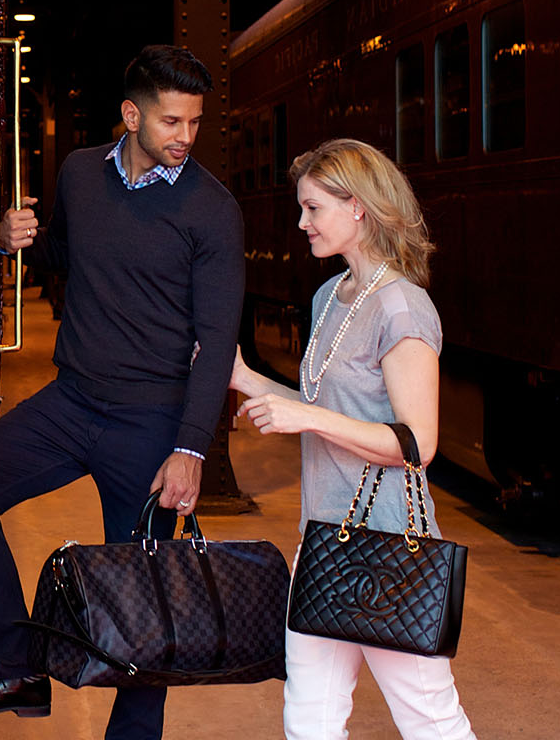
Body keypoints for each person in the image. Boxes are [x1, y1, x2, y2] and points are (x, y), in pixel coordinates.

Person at [0, 44, 244, 738]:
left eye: (194, 123)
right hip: (71, 402)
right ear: (130, 115)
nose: (185, 138)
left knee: (143, 602)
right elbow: (56, 256)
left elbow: (217, 341)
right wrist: (7, 237)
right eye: (172, 122)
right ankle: (17, 663)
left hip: (152, 422)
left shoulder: (211, 210)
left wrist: (191, 449)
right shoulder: (81, 174)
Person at [228, 137, 477, 740]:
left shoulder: (402, 308)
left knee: (431, 722)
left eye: (313, 208)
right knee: (309, 718)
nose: (301, 222)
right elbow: (321, 407)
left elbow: (418, 443)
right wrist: (244, 379)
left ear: (358, 207)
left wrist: (307, 419)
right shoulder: (330, 296)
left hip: (389, 548)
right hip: (324, 543)